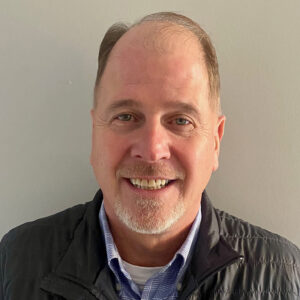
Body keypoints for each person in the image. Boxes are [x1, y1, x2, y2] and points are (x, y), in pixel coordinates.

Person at [0, 12, 299, 300]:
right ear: (95, 134)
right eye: (126, 116)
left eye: (181, 120)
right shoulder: (16, 261)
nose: (152, 150)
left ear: (216, 142)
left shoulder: (286, 275)